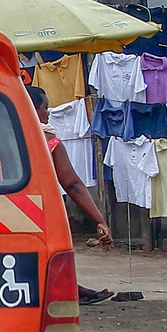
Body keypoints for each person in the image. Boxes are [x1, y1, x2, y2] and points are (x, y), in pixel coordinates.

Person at [27, 86, 115, 303]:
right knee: (56, 248)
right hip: (39, 209)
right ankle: (67, 290)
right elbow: (72, 183)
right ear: (33, 109)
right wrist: (100, 220)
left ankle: (69, 288)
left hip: (4, 208)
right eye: (45, 108)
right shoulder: (45, 138)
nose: (48, 114)